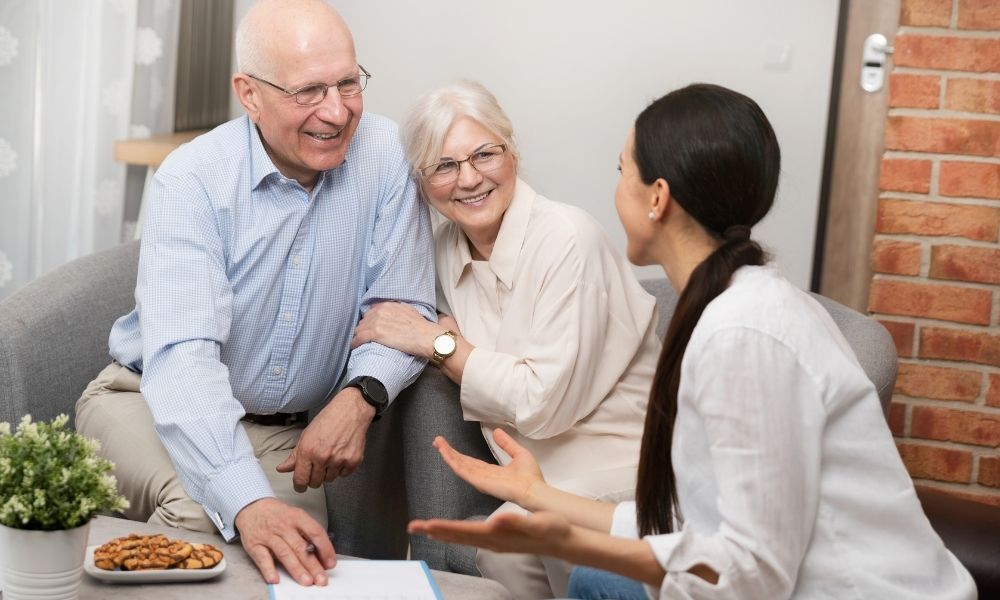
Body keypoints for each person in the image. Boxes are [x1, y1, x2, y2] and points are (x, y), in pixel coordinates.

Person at [407, 83, 977, 599]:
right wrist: (544, 499)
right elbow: (699, 521)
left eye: (621, 171)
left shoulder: (744, 336)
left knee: (594, 582)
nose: (612, 195)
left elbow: (749, 573)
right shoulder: (731, 307)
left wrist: (579, 548)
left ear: (656, 198)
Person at [74, 0, 435, 587]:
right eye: (309, 91)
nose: (338, 111)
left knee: (302, 559)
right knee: (212, 526)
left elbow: (403, 308)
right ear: (249, 94)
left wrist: (360, 395)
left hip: (279, 433)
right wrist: (246, 502)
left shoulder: (387, 158)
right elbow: (184, 364)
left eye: (349, 83)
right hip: (142, 397)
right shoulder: (191, 180)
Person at [351, 80, 661, 598]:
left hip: (616, 466)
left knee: (522, 541)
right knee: (503, 549)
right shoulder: (446, 245)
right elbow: (387, 320)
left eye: (484, 155)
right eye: (444, 166)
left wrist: (443, 346)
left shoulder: (568, 238)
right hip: (531, 473)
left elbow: (543, 404)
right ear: (422, 182)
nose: (469, 179)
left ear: (511, 152)